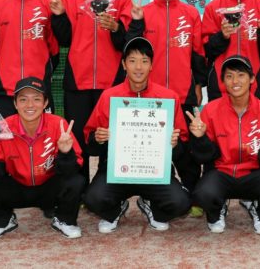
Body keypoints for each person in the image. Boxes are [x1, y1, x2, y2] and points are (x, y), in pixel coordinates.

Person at [82, 37, 192, 233]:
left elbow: (183, 144)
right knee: (92, 199)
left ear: (151, 65)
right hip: (117, 170)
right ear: (124, 65)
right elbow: (89, 140)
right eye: (132, 61)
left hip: (155, 171)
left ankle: (152, 207)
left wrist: (175, 144)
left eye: (144, 61)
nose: (138, 67)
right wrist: (97, 139)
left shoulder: (168, 97)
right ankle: (116, 209)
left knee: (181, 203)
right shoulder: (109, 96)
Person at [51, 0, 135, 184]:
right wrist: (57, 16)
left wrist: (116, 27)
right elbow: (65, 39)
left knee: (111, 138)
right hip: (78, 80)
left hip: (113, 82)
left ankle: (107, 191)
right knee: (78, 138)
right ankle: (79, 190)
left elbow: (128, 42)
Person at [128, 0, 207, 217]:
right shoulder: (144, 12)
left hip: (183, 92)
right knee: (154, 148)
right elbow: (132, 52)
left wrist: (199, 84)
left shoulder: (190, 13)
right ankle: (154, 196)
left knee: (186, 149)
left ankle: (193, 193)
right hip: (152, 94)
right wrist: (137, 23)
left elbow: (198, 54)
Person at [0, 77, 85, 240]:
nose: (30, 105)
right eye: (23, 99)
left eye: (36, 99)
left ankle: (64, 220)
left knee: (76, 181)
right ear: (15, 104)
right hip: (16, 187)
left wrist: (65, 153)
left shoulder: (59, 124)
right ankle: (2, 221)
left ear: (45, 103)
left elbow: (72, 170)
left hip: (48, 188)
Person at [187, 55, 260, 235]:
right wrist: (199, 138)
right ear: (223, 82)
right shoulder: (211, 110)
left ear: (251, 79)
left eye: (241, 75)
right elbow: (202, 157)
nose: (235, 81)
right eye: (229, 76)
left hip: (254, 173)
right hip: (221, 173)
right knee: (202, 193)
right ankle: (216, 211)